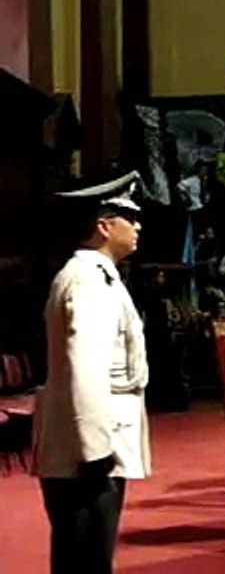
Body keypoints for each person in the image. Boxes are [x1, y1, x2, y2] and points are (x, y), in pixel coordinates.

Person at [32, 171, 150, 574]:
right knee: (86, 558)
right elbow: (86, 366)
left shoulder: (94, 275)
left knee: (83, 554)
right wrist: (95, 448)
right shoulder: (90, 281)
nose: (137, 226)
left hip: (88, 440)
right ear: (103, 225)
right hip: (90, 447)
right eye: (128, 217)